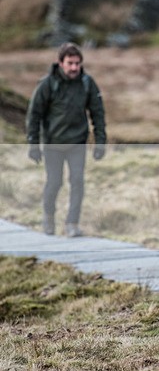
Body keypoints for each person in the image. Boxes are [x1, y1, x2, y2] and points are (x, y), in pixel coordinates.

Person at [26, 42, 107, 237]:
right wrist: (33, 144)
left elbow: (97, 113)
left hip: (77, 142)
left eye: (77, 63)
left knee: (77, 181)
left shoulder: (87, 83)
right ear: (60, 63)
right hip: (53, 143)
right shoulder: (47, 84)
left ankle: (72, 223)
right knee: (54, 182)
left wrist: (100, 141)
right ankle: (48, 217)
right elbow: (34, 115)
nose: (74, 68)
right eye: (70, 63)